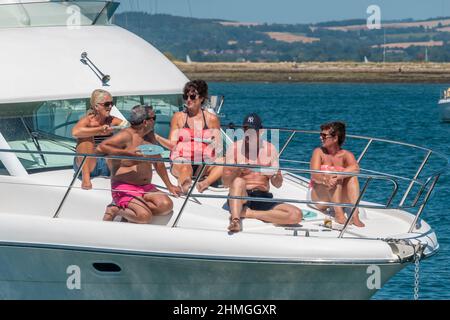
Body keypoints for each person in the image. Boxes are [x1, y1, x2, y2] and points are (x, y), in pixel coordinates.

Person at [96, 105, 181, 224]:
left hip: (145, 186)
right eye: (154, 117)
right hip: (124, 186)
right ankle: (116, 209)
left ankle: (136, 208)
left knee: (166, 205)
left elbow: (158, 162)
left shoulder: (149, 136)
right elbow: (101, 147)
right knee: (144, 217)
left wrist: (170, 186)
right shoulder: (126, 135)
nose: (155, 120)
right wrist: (127, 153)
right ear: (146, 122)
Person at [223, 113, 302, 233]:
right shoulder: (234, 149)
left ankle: (249, 213)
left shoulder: (271, 150)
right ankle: (235, 220)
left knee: (296, 215)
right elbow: (226, 182)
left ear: (261, 132)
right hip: (241, 196)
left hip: (263, 196)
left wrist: (277, 177)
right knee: (238, 181)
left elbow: (277, 184)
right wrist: (237, 170)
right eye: (245, 129)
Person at [155, 80, 223, 194]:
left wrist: (213, 143)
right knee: (186, 167)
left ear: (201, 98)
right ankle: (184, 188)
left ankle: (204, 183)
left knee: (226, 161)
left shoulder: (212, 119)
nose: (188, 100)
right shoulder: (179, 117)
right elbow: (172, 145)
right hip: (182, 160)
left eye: (192, 96)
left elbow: (218, 148)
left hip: (203, 163)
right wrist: (156, 137)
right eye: (185, 96)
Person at [309, 121, 365, 227]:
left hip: (338, 195)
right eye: (321, 135)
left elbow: (356, 169)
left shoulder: (346, 155)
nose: (321, 138)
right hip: (320, 195)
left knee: (352, 178)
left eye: (324, 135)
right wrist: (327, 179)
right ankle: (339, 214)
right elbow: (314, 175)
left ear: (335, 138)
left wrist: (338, 176)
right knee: (333, 177)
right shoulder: (319, 152)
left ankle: (355, 214)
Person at [72, 89, 127, 190]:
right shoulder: (88, 120)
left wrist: (121, 129)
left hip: (108, 165)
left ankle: (116, 177)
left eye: (112, 103)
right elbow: (75, 132)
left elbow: (129, 127)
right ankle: (86, 178)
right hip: (88, 165)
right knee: (84, 139)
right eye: (107, 104)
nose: (110, 107)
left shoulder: (112, 120)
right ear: (96, 106)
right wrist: (99, 130)